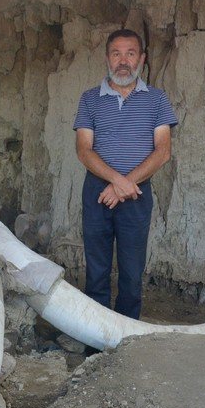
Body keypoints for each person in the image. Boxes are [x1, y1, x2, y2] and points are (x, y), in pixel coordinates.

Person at [73, 29, 178, 320]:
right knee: (96, 270)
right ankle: (94, 340)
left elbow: (163, 152)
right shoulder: (90, 99)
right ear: (107, 58)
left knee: (132, 273)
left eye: (130, 54)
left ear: (142, 59)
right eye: (117, 54)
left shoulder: (157, 100)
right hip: (98, 192)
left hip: (136, 196)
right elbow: (84, 150)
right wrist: (119, 182)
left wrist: (124, 185)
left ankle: (125, 339)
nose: (123, 61)